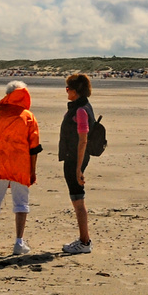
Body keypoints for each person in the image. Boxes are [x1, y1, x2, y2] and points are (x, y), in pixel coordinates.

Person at [0, 80, 41, 257]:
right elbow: (33, 148)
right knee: (21, 203)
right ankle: (19, 242)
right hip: (20, 165)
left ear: (7, 94)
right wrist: (32, 170)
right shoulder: (28, 116)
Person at [60, 73, 96, 254]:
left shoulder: (81, 110)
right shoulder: (82, 107)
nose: (66, 91)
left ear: (75, 91)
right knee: (77, 199)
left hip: (76, 158)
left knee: (78, 200)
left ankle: (84, 241)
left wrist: (78, 168)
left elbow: (83, 140)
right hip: (74, 157)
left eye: (68, 89)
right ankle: (84, 240)